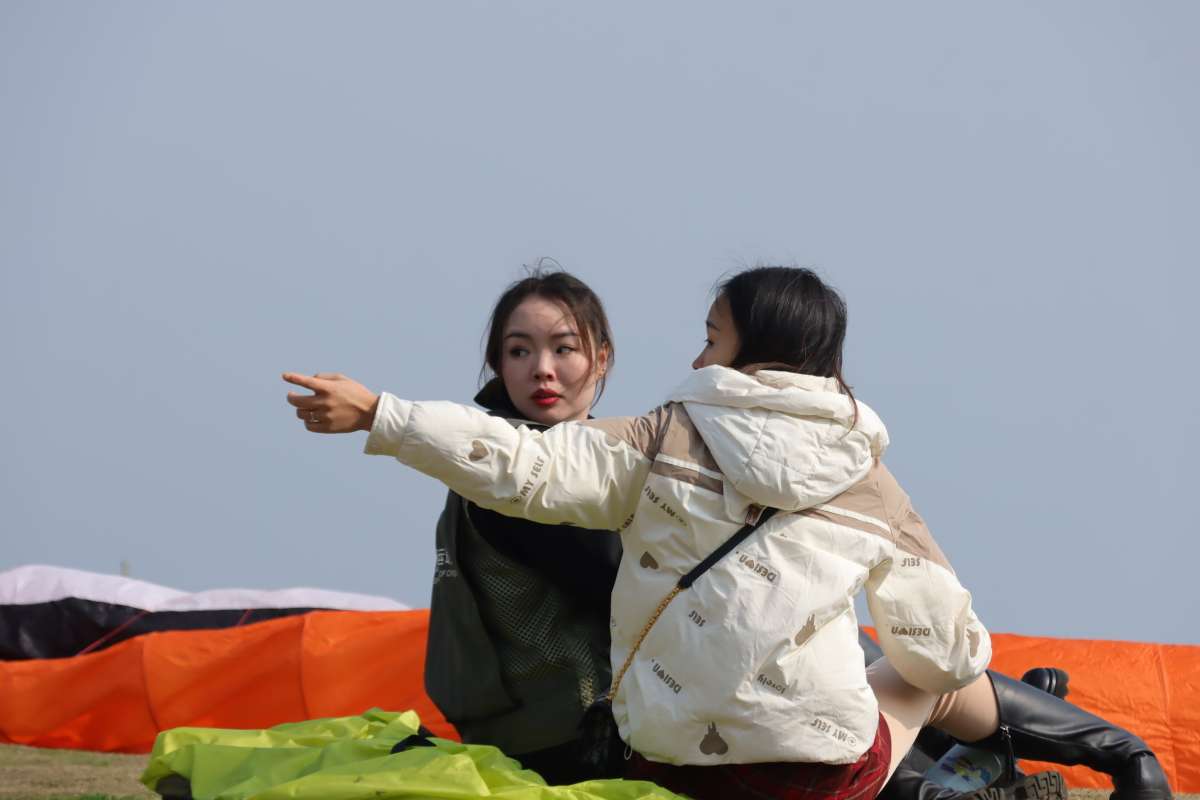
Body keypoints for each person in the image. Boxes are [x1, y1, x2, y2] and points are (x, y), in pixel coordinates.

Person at [284, 266, 1171, 800]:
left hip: (670, 761)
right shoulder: (869, 482)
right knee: (916, 668)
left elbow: (523, 464)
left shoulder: (657, 438)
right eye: (520, 351)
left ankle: (983, 758)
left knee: (826, 653)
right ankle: (1114, 754)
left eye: (711, 338)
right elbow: (942, 652)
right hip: (801, 776)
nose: (698, 356)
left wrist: (383, 414)